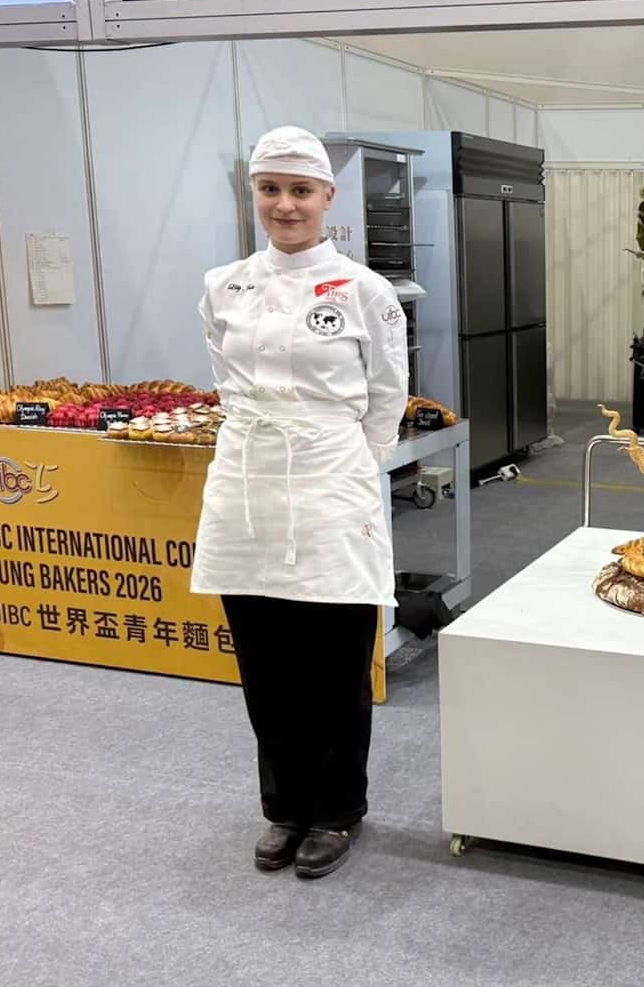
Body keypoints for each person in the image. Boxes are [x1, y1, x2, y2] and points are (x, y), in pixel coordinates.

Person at [191, 126, 409, 879]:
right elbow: (226, 378)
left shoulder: (363, 290)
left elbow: (387, 397)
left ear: (327, 198)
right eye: (270, 189)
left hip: (327, 482)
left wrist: (342, 467)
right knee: (264, 658)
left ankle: (339, 809)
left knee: (332, 662)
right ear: (255, 194)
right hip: (247, 484)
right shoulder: (225, 283)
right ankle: (284, 808)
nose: (285, 205)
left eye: (299, 190)